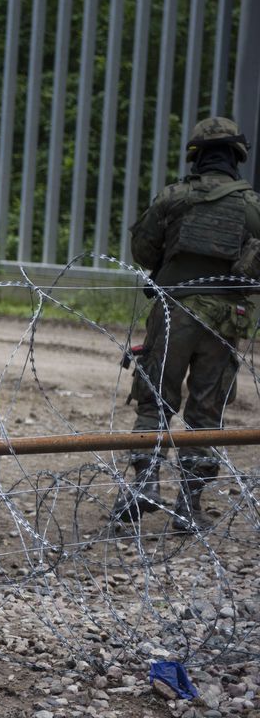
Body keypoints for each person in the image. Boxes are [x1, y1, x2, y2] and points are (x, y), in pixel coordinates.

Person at [112, 116, 258, 532]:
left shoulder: (173, 197)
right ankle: (189, 508)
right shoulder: (251, 206)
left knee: (155, 398)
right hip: (227, 319)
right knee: (206, 413)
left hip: (175, 310)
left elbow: (143, 249)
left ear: (195, 156)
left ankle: (145, 485)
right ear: (237, 157)